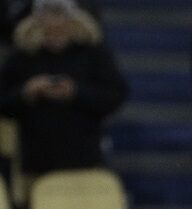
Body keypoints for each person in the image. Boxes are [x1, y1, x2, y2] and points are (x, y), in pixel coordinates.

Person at [0, 0, 127, 179]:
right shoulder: (22, 57)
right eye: (48, 15)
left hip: (85, 161)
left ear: (73, 19)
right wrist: (27, 92)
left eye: (59, 15)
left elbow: (115, 95)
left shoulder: (94, 55)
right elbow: (4, 102)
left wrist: (76, 92)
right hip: (37, 163)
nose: (54, 23)